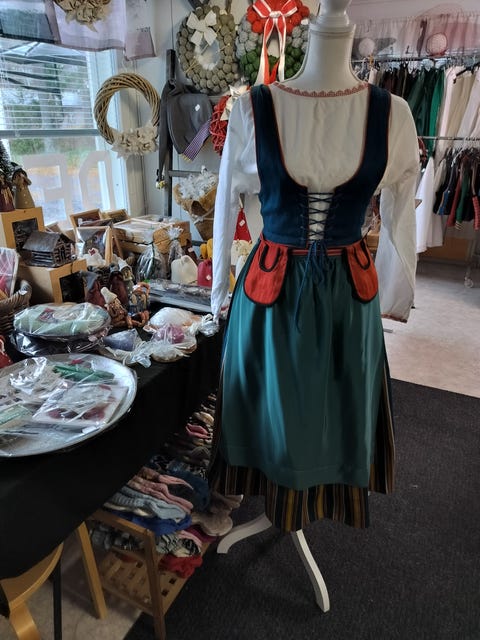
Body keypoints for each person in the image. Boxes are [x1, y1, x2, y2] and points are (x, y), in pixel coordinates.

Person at [209, 0, 420, 532]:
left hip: (348, 295)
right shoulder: (253, 108)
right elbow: (228, 202)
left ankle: (307, 502)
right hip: (273, 293)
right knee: (277, 406)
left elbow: (401, 212)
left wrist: (399, 292)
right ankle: (282, 500)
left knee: (334, 405)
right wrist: (218, 294)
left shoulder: (393, 113)